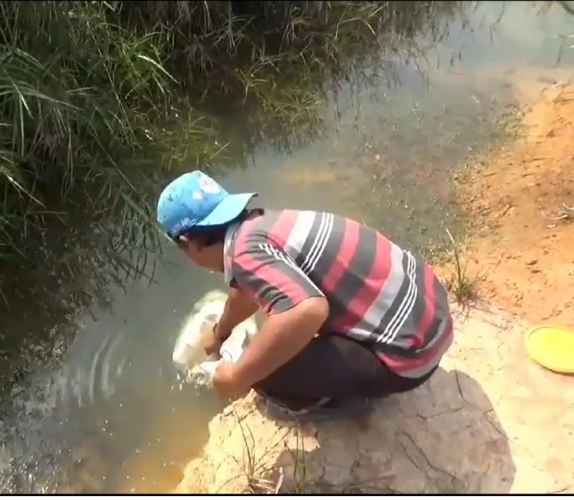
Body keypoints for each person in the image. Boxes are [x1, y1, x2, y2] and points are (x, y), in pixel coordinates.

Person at [157, 170, 454, 416]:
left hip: (410, 358)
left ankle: (340, 406)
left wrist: (237, 377)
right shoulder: (262, 224)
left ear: (187, 242)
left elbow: (308, 310)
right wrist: (221, 332)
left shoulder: (243, 255)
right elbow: (245, 292)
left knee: (262, 372)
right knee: (284, 333)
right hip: (434, 317)